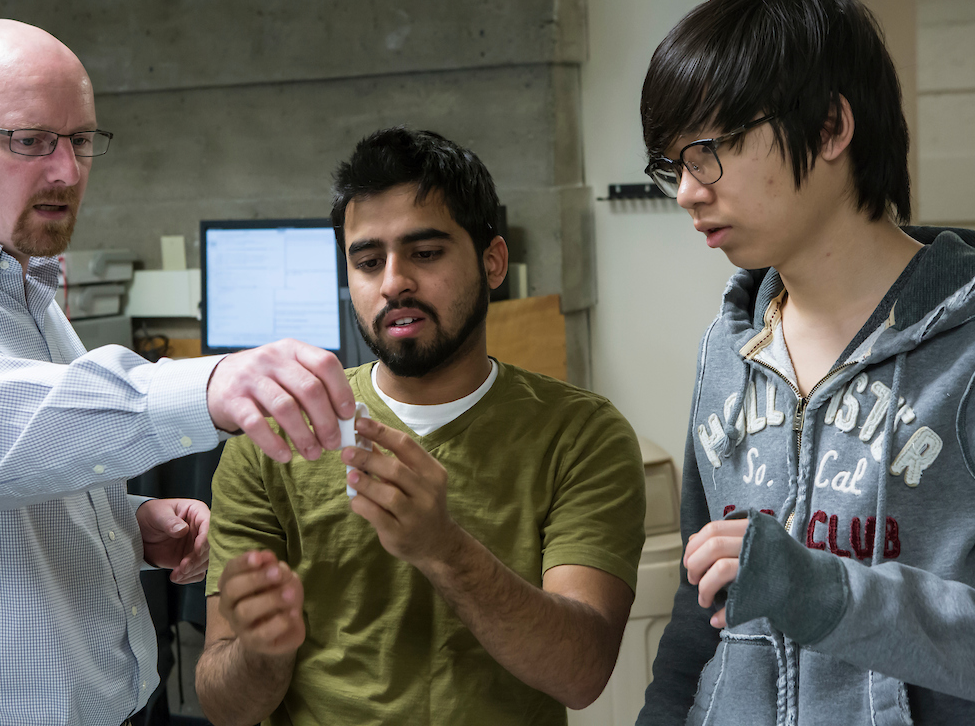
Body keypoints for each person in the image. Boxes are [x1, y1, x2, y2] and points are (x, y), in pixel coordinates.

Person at [0, 19, 355, 726]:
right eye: (29, 141)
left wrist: (125, 522)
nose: (66, 171)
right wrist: (206, 386)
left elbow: (28, 460)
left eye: (80, 140)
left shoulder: (25, 294)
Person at [195, 126, 647, 726]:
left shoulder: (581, 436)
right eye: (368, 260)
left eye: (425, 253)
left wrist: (443, 548)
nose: (393, 282)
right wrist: (259, 654)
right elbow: (223, 705)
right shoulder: (275, 441)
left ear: (493, 262)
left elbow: (583, 672)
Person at [635, 0, 975, 725]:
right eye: (674, 165)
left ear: (829, 128)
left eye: (709, 150)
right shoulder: (725, 352)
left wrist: (822, 591)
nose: (687, 193)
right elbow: (698, 608)